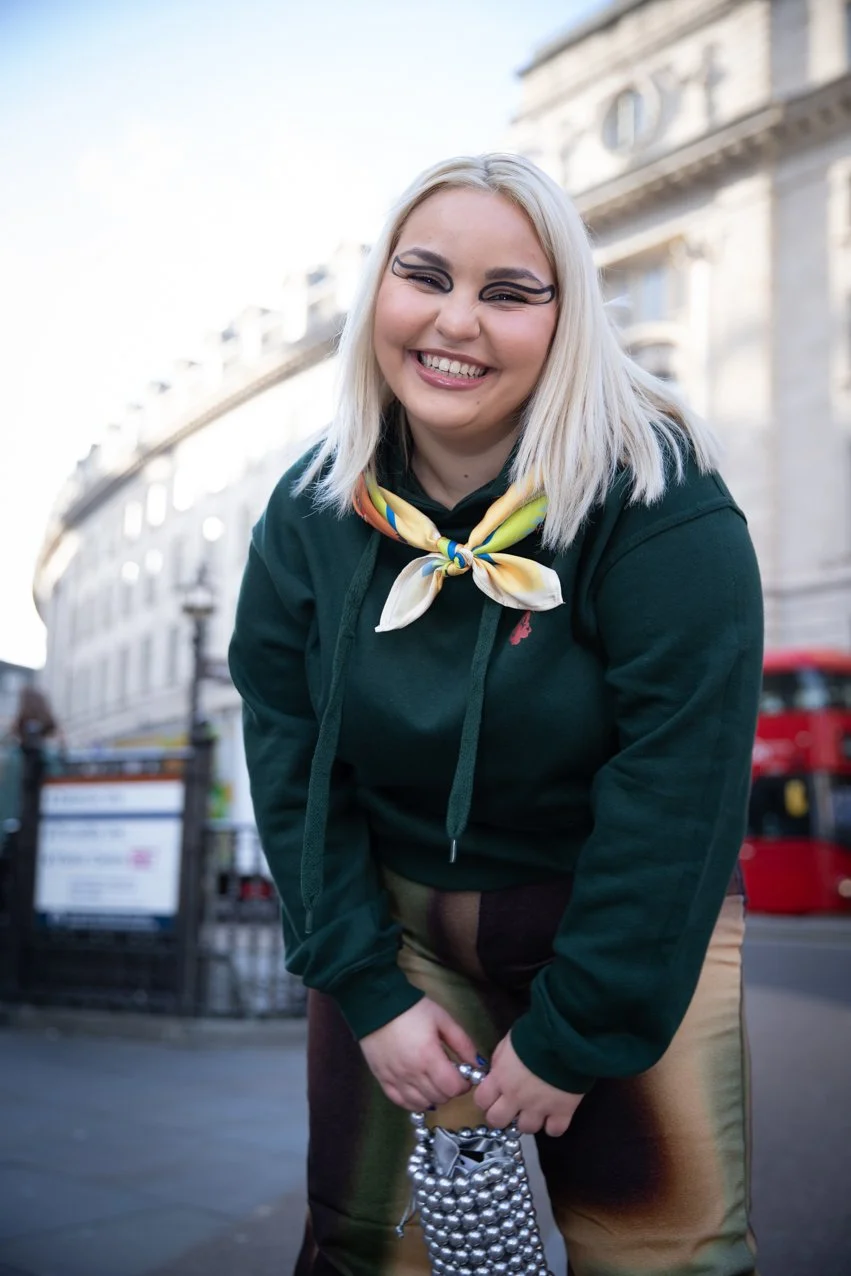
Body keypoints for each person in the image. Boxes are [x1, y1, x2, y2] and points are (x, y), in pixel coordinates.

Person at [228, 153, 764, 1276]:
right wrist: (368, 990)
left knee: (662, 1249)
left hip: (610, 906)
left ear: (564, 316)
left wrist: (578, 1031)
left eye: (508, 292)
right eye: (423, 276)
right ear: (377, 292)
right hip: (398, 911)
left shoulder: (655, 489)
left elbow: (677, 780)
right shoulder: (307, 507)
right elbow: (288, 753)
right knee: (365, 1242)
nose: (455, 322)